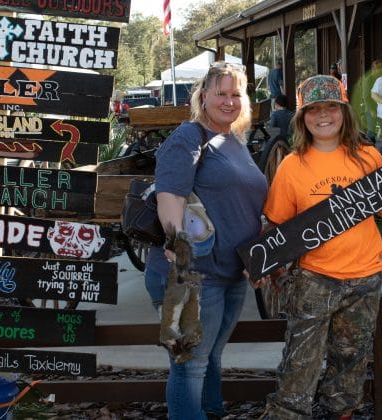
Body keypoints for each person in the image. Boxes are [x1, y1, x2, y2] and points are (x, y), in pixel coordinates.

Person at [256, 75, 382, 419]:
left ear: (344, 112)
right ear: (302, 118)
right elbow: (277, 226)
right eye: (313, 109)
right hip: (314, 279)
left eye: (331, 107)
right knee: (299, 366)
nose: (323, 116)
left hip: (364, 277)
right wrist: (266, 266)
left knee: (350, 365)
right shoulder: (292, 166)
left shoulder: (367, 157)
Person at [144, 62, 268, 419]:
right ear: (203, 95)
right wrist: (177, 248)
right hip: (194, 275)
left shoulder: (234, 141)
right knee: (190, 365)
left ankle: (211, 412)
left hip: (230, 273)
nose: (229, 101)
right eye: (221, 93)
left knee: (210, 358)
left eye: (236, 94)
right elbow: (170, 196)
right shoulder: (187, 137)